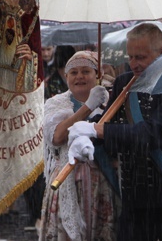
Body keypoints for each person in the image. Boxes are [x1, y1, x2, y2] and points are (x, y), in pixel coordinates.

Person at [68, 23, 162, 241]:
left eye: (140, 57)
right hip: (133, 199)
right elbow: (111, 126)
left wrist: (96, 130)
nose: (133, 64)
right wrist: (85, 139)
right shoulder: (124, 82)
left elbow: (152, 135)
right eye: (130, 57)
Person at [39, 51, 117, 241]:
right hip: (66, 179)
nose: (79, 76)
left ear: (96, 75)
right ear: (66, 77)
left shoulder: (111, 102)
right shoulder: (57, 103)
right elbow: (56, 137)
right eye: (73, 72)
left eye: (86, 71)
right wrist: (88, 106)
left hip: (102, 179)